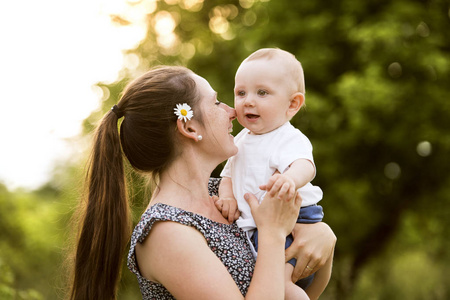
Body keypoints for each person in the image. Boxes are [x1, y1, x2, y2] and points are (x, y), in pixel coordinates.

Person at [68, 66, 336, 299]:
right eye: (217, 103)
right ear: (189, 127)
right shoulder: (167, 231)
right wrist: (274, 234)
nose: (233, 111)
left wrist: (322, 238)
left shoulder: (225, 196)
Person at [216, 48, 333, 300]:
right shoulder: (241, 140)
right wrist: (227, 197)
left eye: (262, 93)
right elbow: (228, 175)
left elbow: (305, 166)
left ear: (292, 104)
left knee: (283, 287)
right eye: (241, 92)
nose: (248, 100)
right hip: (260, 226)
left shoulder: (287, 137)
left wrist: (289, 179)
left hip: (294, 220)